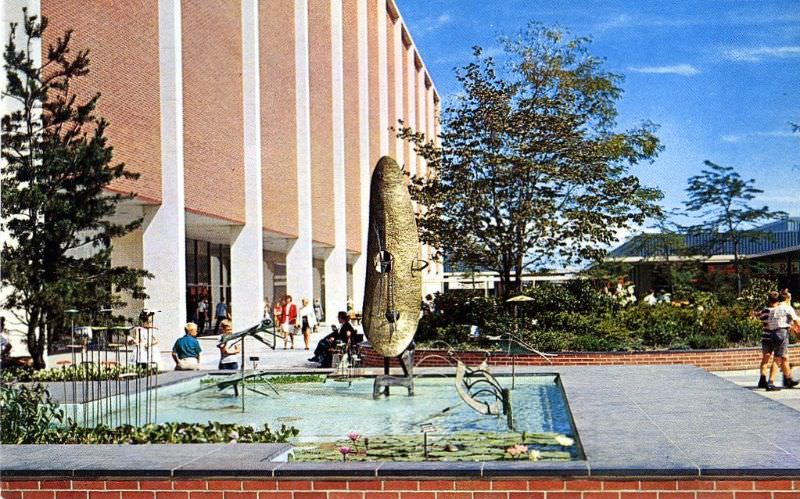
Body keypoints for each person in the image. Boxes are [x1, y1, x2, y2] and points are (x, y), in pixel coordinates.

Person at [762, 289, 800, 389]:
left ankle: (788, 379)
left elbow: (769, 324)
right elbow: (797, 321)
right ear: (787, 299)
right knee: (778, 358)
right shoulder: (788, 308)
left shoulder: (774, 309)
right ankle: (771, 382)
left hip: (773, 333)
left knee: (784, 357)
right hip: (782, 333)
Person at [758, 291, 782, 391]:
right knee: (776, 358)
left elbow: (763, 321)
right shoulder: (779, 311)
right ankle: (770, 381)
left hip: (766, 336)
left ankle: (762, 379)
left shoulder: (764, 310)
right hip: (776, 336)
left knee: (765, 358)